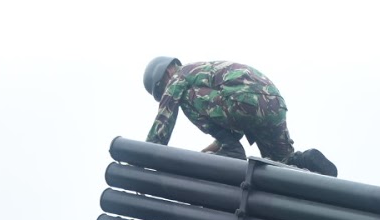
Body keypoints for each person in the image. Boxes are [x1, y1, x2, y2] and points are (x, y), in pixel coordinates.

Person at [142, 57, 336, 175]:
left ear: (167, 71)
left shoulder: (179, 77)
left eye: (161, 90)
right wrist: (205, 153)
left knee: (185, 99)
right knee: (281, 165)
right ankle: (309, 161)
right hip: (272, 104)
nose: (164, 94)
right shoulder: (201, 71)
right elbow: (233, 131)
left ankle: (231, 151)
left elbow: (164, 119)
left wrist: (145, 156)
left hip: (243, 102)